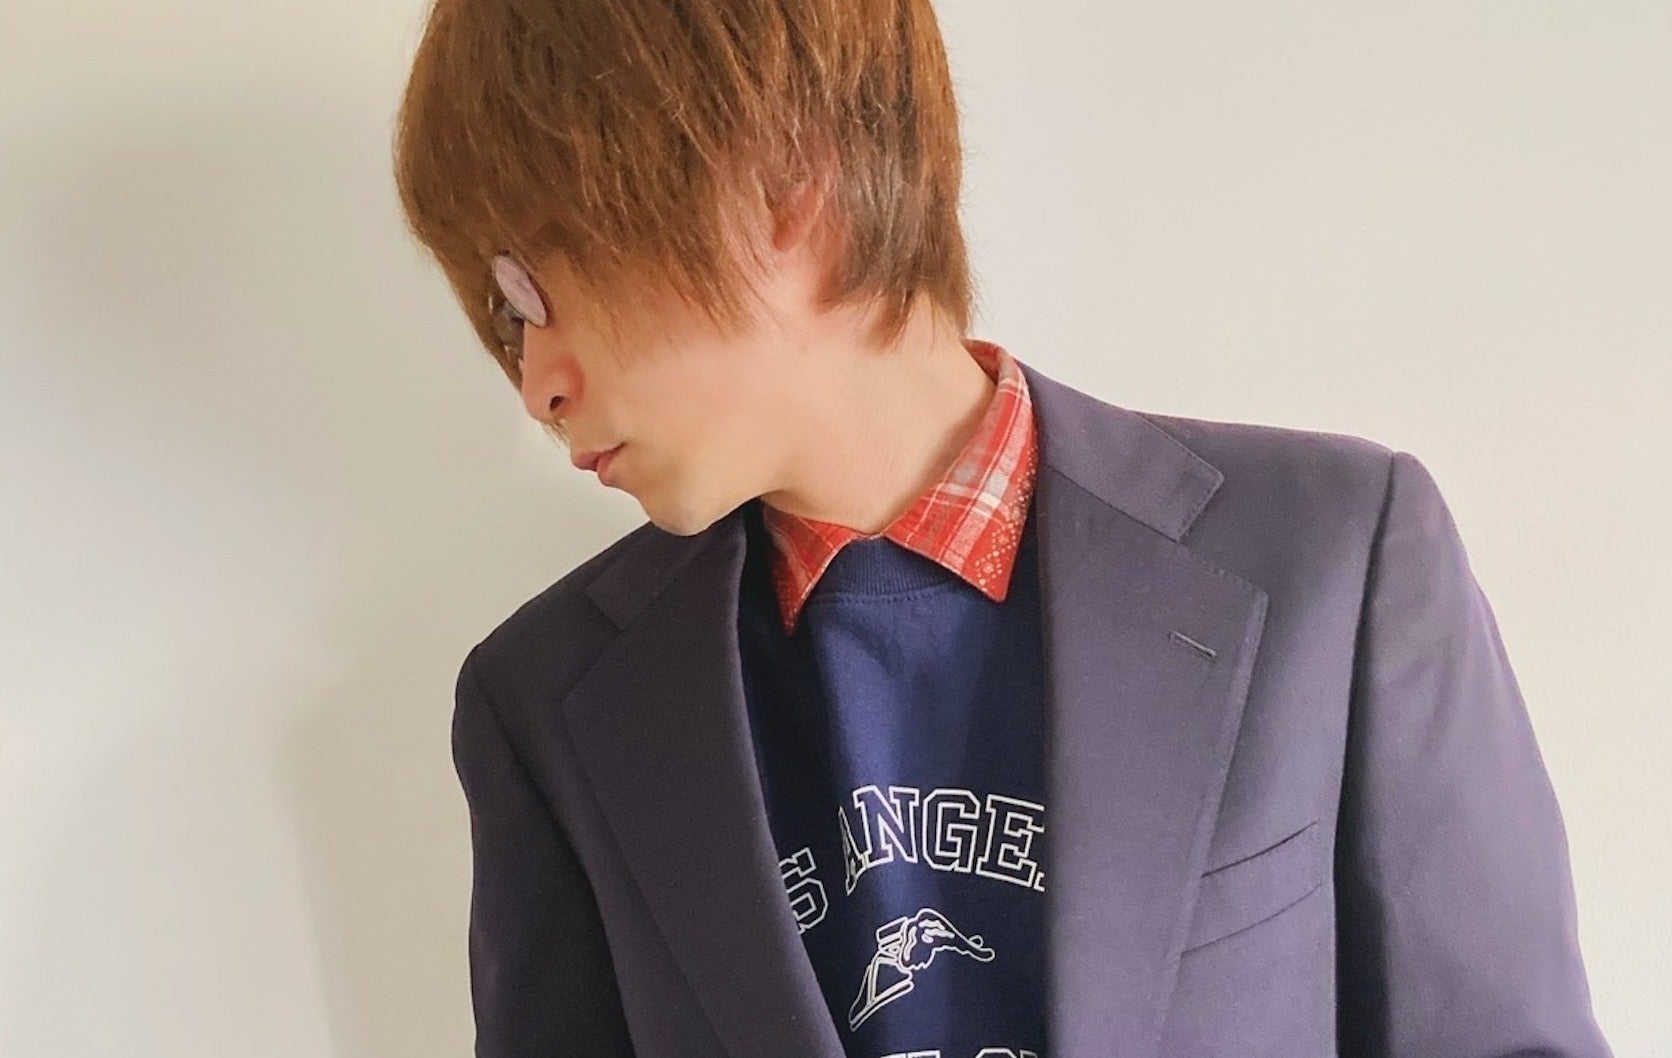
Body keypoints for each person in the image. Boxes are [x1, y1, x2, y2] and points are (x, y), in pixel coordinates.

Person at [391, 2, 1614, 1056]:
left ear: (776, 182)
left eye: (539, 292)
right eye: (505, 325)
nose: (535, 383)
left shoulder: (1331, 558)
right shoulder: (547, 701)